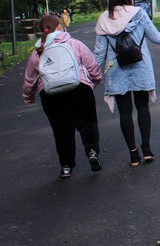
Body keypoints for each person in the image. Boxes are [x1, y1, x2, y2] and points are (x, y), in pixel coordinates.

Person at [93, 0, 160, 166]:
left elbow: (99, 53)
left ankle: (133, 154)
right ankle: (147, 149)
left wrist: (92, 74)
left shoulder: (104, 18)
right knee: (142, 107)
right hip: (140, 67)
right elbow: (156, 38)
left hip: (116, 70)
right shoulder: (139, 13)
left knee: (125, 112)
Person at [22, 15, 103, 178]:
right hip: (79, 87)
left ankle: (66, 165)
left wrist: (28, 96)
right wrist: (96, 79)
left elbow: (30, 78)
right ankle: (92, 151)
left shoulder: (38, 51)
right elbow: (91, 64)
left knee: (61, 130)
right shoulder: (74, 43)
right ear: (59, 27)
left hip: (51, 94)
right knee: (87, 122)